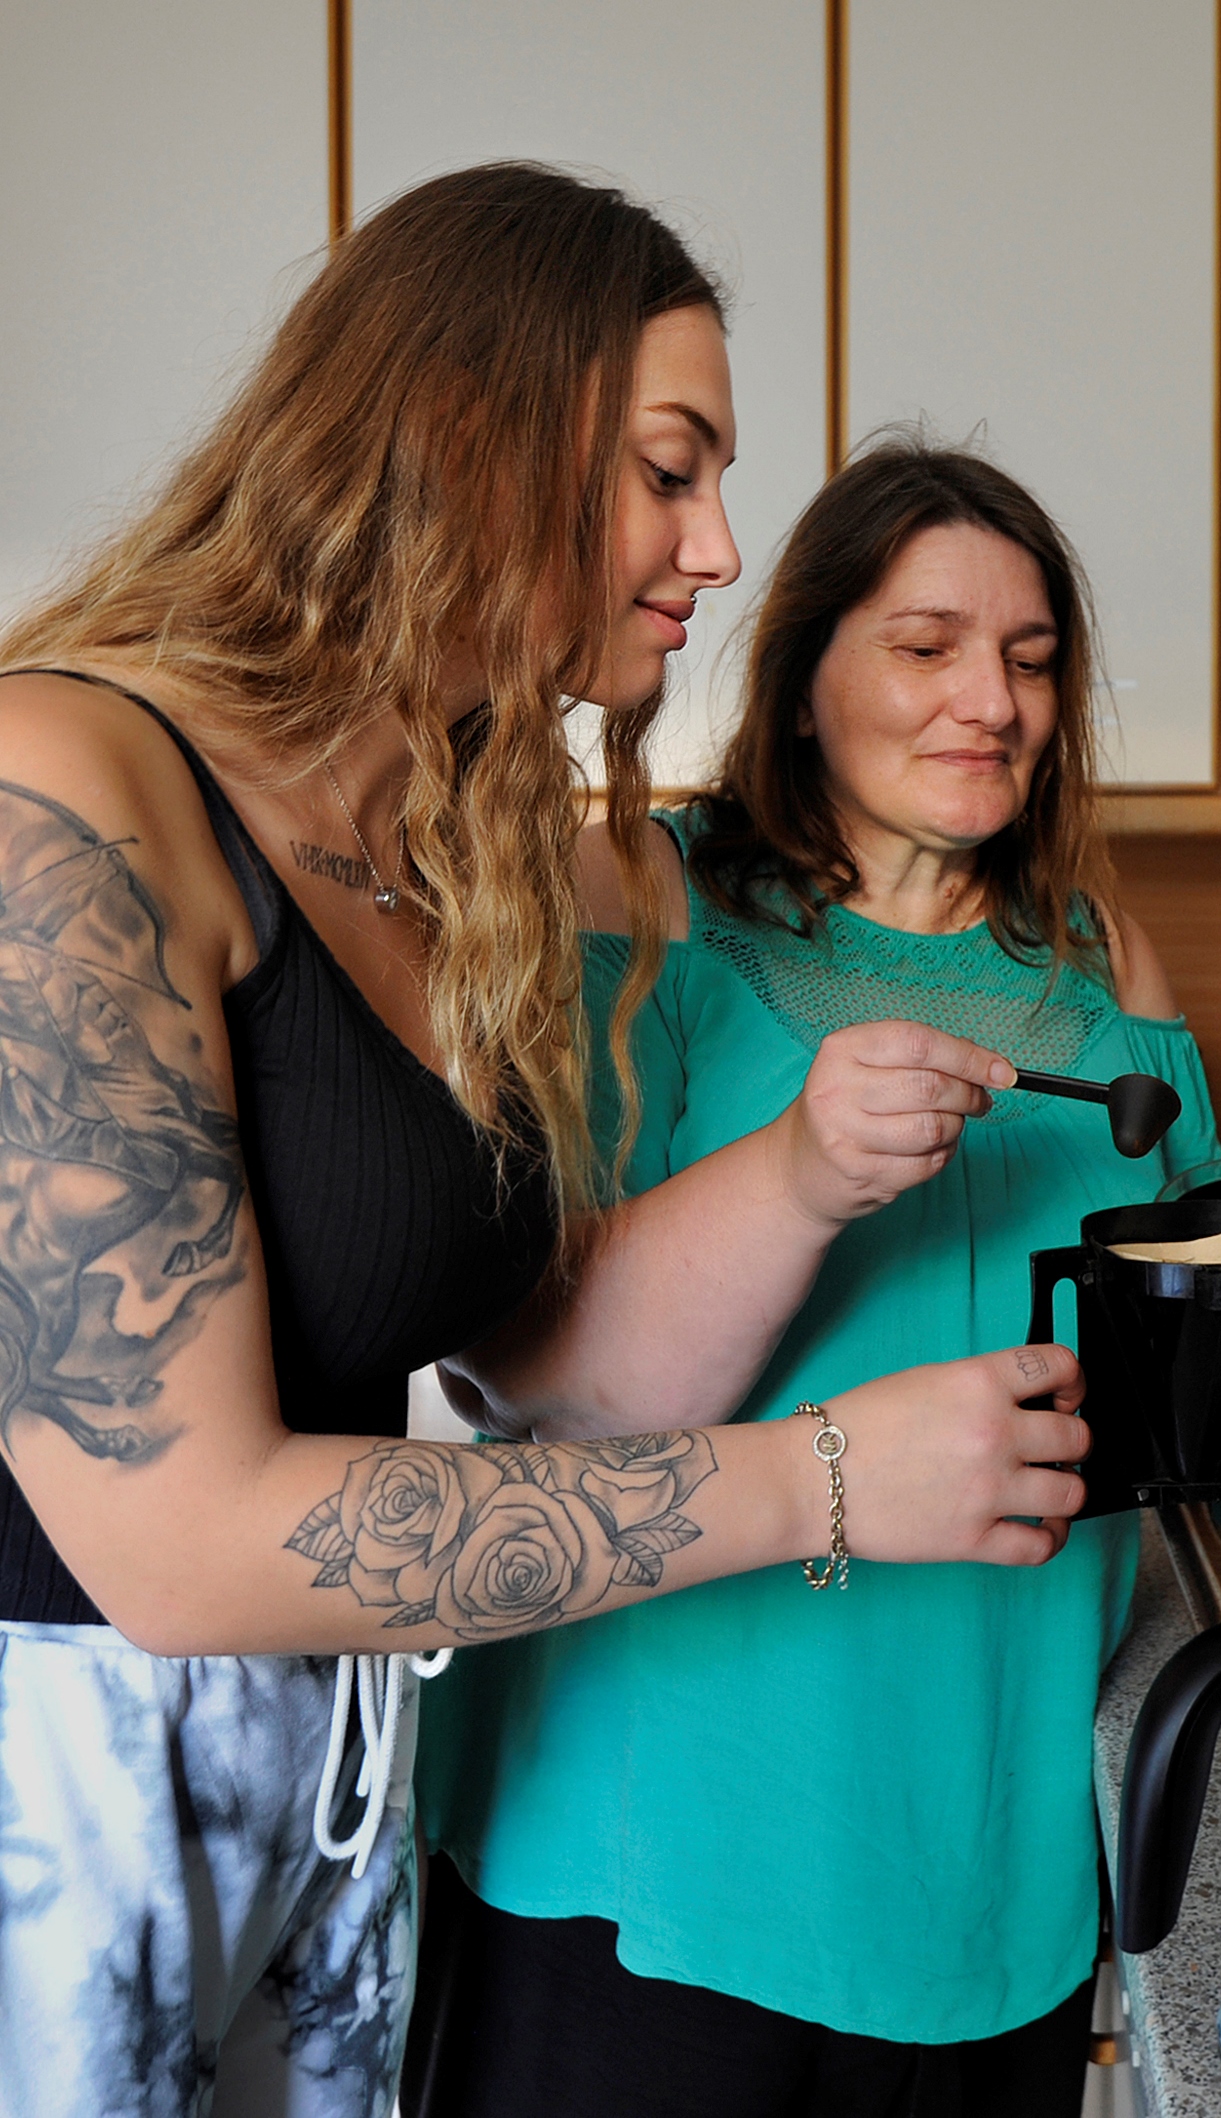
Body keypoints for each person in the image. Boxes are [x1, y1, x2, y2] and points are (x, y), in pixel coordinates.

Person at [0, 173, 1091, 2118]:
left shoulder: (453, 867)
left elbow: (552, 1371)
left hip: (325, 1794)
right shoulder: (65, 788)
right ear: (472, 439)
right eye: (671, 473)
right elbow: (178, 1541)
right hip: (62, 1808)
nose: (721, 548)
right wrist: (824, 1481)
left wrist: (808, 1178)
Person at [414, 440, 1221, 2118]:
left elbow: (1186, 1390)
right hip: (647, 1852)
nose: (986, 700)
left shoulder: (1106, 964)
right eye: (925, 647)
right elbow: (529, 1371)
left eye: (1030, 656)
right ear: (799, 684)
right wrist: (804, 1166)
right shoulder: (632, 906)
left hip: (990, 1858)